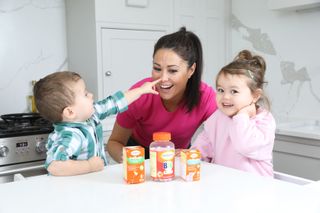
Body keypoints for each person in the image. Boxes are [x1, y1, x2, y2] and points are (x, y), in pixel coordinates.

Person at [107, 27, 218, 163]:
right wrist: (133, 162)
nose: (163, 78)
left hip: (178, 156)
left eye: (172, 70)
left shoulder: (205, 97)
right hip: (139, 153)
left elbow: (223, 137)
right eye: (157, 68)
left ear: (191, 70)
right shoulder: (140, 94)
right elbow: (114, 142)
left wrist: (193, 153)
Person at [33, 71, 159, 176]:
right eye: (85, 94)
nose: (91, 95)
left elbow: (115, 102)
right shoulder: (71, 135)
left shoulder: (90, 115)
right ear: (70, 112)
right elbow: (54, 166)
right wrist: (89, 166)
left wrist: (141, 90)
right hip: (74, 192)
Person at [191, 50, 276, 177]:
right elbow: (201, 148)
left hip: (257, 188)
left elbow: (246, 146)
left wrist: (242, 116)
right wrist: (188, 157)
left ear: (255, 96)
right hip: (225, 184)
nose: (225, 96)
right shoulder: (217, 118)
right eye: (220, 90)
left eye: (234, 91)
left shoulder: (264, 121)